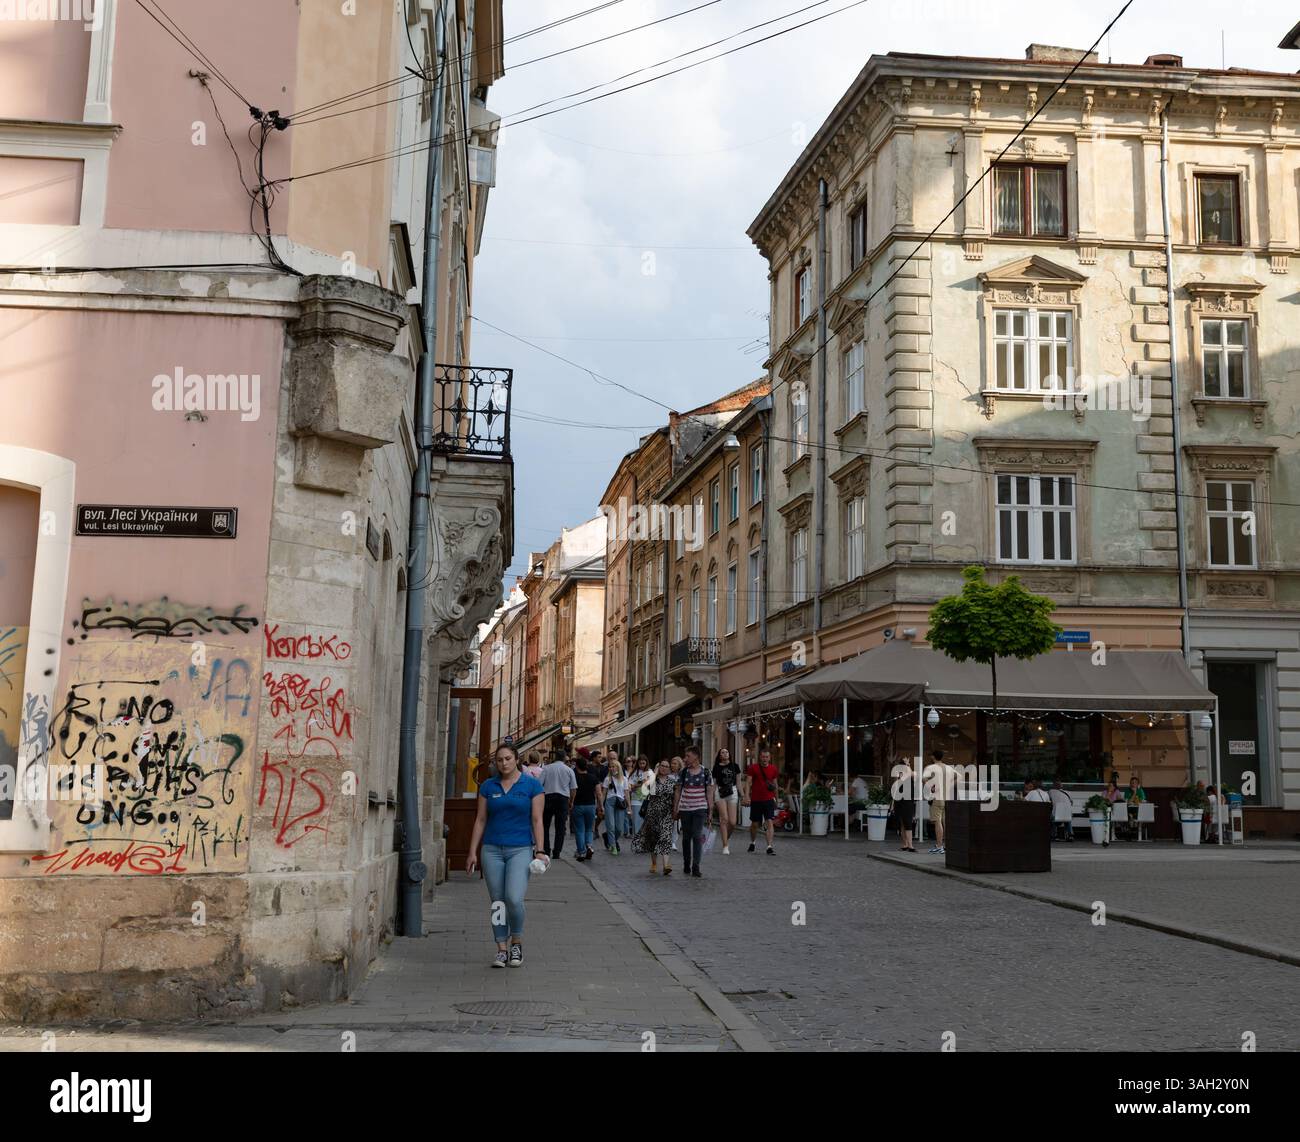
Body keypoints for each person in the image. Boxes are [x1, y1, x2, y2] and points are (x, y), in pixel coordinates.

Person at [466, 744, 547, 968]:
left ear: (516, 759)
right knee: (497, 902)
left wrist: (540, 850)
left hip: (520, 848)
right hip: (491, 849)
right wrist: (472, 851)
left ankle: (517, 941)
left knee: (513, 898)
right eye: (499, 760)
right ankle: (501, 948)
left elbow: (537, 820)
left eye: (508, 759)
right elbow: (480, 819)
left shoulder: (532, 785)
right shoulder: (488, 786)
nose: (504, 763)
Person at [672, 746, 715, 878]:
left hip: (700, 809)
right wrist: (675, 808)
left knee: (697, 836)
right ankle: (686, 862)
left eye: (688, 756)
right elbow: (678, 791)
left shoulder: (706, 772)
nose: (685, 759)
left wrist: (710, 811)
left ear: (696, 757)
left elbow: (709, 792)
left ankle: (696, 865)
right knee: (686, 838)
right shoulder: (683, 773)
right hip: (685, 809)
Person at [633, 761, 676, 875]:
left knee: (666, 837)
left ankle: (666, 865)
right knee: (653, 839)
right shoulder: (652, 781)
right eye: (662, 766)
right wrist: (654, 775)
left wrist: (676, 811)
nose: (664, 768)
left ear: (669, 769)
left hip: (667, 814)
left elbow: (676, 797)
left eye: (667, 766)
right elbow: (641, 792)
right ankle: (654, 863)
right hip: (652, 813)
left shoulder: (672, 782)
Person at [540, 750, 577, 859]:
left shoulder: (546, 768)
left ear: (555, 757)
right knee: (560, 827)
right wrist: (571, 801)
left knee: (545, 826)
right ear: (565, 758)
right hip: (562, 798)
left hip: (548, 797)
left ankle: (546, 850)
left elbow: (538, 784)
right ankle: (557, 852)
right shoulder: (569, 770)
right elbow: (573, 788)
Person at [743, 747, 780, 855]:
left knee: (769, 821)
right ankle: (753, 842)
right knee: (755, 824)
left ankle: (769, 846)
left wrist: (777, 799)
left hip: (768, 799)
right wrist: (746, 796)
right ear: (760, 757)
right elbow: (748, 782)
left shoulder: (773, 769)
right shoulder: (753, 768)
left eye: (767, 757)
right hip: (756, 799)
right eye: (763, 757)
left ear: (770, 758)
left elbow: (775, 785)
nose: (765, 759)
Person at [571, 754, 602, 861]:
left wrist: (570, 803)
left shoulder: (574, 778)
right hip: (590, 806)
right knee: (589, 829)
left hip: (578, 806)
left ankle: (581, 852)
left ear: (577, 767)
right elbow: (599, 793)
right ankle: (589, 846)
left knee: (579, 830)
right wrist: (600, 806)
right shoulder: (593, 778)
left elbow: (572, 792)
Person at [711, 746, 740, 855]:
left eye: (727, 752)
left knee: (732, 822)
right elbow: (714, 784)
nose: (725, 754)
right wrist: (712, 798)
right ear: (719, 756)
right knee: (724, 819)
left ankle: (725, 838)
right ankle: (725, 845)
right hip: (720, 792)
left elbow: (738, 783)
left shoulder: (735, 766)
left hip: (732, 791)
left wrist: (744, 796)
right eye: (722, 752)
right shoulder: (716, 767)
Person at [927, 748, 952, 856]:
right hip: (946, 797)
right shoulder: (947, 768)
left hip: (937, 798)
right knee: (945, 821)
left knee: (937, 822)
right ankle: (947, 845)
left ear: (933, 757)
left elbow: (925, 780)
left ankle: (939, 846)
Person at [602, 759, 630, 855]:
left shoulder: (624, 779)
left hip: (621, 802)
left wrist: (629, 807)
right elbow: (604, 793)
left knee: (619, 828)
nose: (611, 768)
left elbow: (626, 793)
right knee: (611, 826)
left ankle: (609, 838)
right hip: (610, 802)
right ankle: (613, 846)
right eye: (610, 767)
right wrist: (601, 805)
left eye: (613, 766)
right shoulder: (607, 779)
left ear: (618, 767)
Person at [628, 756, 654, 836]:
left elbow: (653, 787)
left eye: (643, 763)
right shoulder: (635, 772)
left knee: (645, 821)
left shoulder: (650, 772)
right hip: (636, 799)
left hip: (646, 799)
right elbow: (630, 787)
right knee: (636, 821)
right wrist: (639, 784)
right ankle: (637, 839)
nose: (642, 765)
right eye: (640, 763)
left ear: (646, 763)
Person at [668, 756, 684, 851]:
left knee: (677, 823)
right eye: (672, 763)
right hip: (668, 800)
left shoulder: (682, 776)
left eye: (675, 763)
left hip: (680, 801)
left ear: (679, 765)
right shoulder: (667, 775)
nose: (672, 765)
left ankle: (673, 842)